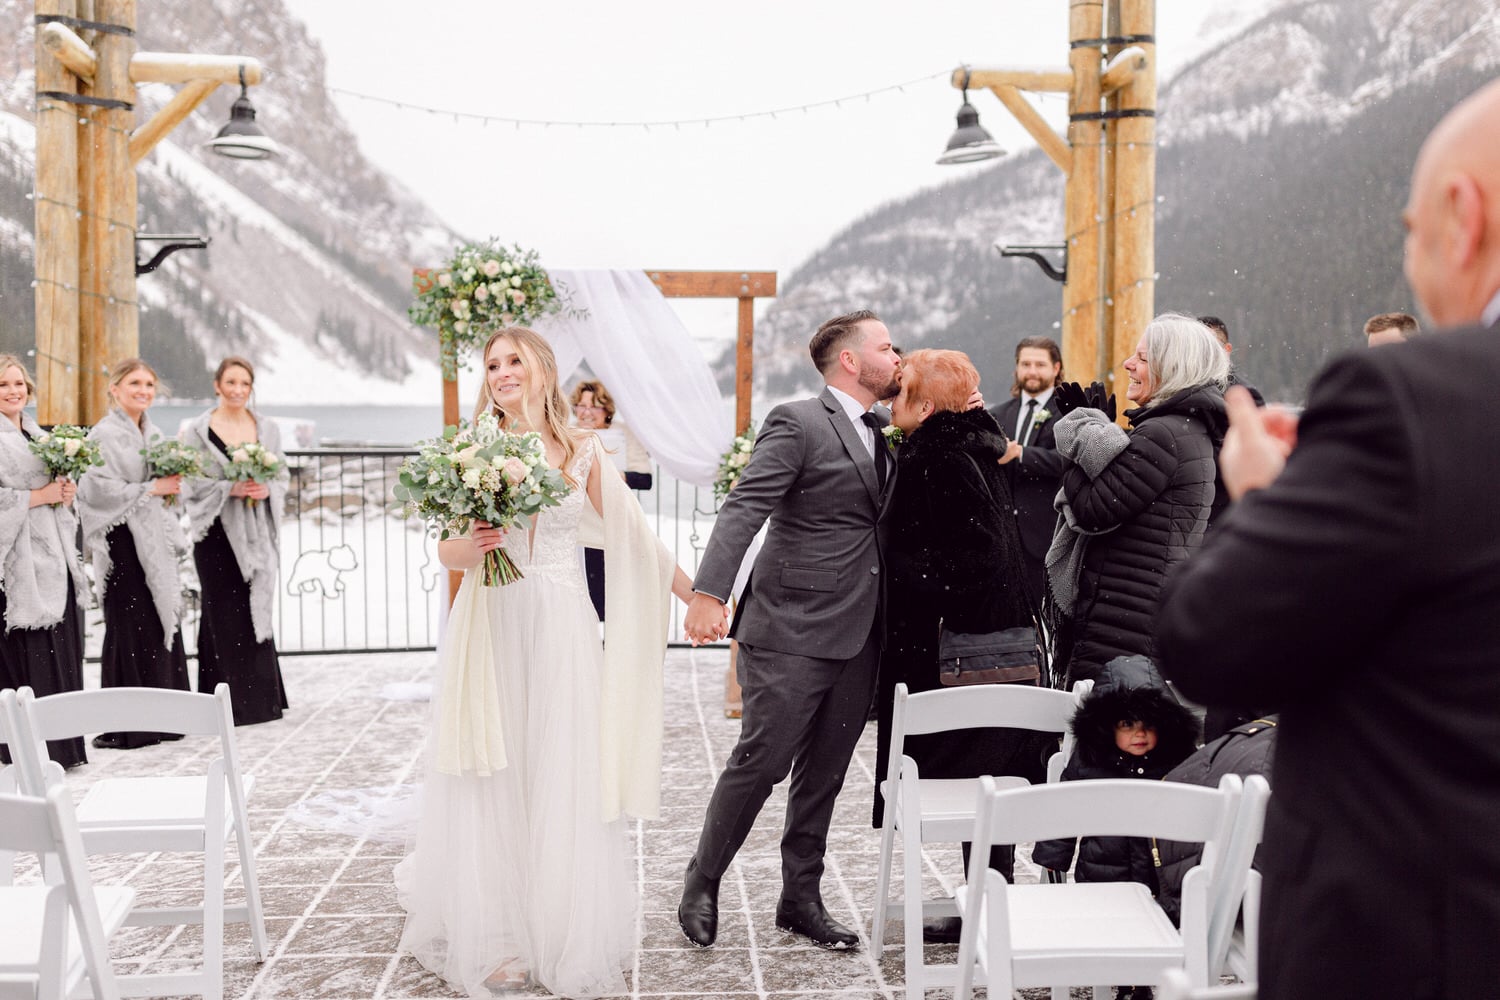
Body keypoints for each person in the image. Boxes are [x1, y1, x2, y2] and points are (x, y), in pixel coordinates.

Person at [1156, 79, 1500, 998]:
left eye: (1411, 228)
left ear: (1462, 217)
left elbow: (1212, 644)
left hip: (1426, 936)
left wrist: (1268, 499)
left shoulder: (1418, 398)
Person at [397, 327, 694, 998]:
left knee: (558, 770)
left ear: (542, 370)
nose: (502, 373)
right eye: (493, 364)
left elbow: (633, 535)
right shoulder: (473, 448)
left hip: (561, 624)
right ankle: (496, 934)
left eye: (513, 361)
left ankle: (560, 929)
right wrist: (475, 543)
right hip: (494, 622)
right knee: (494, 773)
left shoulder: (582, 450)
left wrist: (697, 594)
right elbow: (446, 553)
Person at [678, 308, 899, 951]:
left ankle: (800, 898)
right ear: (851, 361)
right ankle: (703, 877)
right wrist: (709, 592)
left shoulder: (886, 432)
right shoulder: (799, 421)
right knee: (764, 760)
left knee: (825, 773)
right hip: (789, 628)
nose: (898, 356)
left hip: (861, 634)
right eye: (887, 347)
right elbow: (746, 504)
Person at [875, 348, 1052, 943]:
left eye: (899, 394)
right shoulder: (968, 447)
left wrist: (905, 573)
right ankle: (986, 893)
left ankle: (985, 899)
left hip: (956, 644)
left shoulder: (939, 457)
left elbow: (976, 557)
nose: (889, 402)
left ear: (925, 407)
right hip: (980, 641)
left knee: (976, 773)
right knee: (988, 773)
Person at [1046, 314, 1228, 688]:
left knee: (1106, 738)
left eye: (1143, 358)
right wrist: (1102, 434)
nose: (1129, 364)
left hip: (1124, 618)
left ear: (1172, 367)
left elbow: (1092, 510)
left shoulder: (1165, 432)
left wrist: (1080, 438)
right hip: (1138, 611)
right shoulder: (1184, 428)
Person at [1031, 655, 1198, 1000]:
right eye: (1127, 724)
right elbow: (1065, 808)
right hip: (1106, 866)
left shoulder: (1174, 760)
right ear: (1107, 726)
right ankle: (1130, 983)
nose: (1139, 734)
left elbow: (1195, 804)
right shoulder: (1090, 761)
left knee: (1158, 921)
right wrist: (1054, 853)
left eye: (1148, 725)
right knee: (1115, 922)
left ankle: (1152, 975)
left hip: (1159, 869)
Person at [76, 359, 191, 749]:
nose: (143, 390)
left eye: (149, 384)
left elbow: (163, 489)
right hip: (121, 539)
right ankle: (127, 725)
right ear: (115, 389)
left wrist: (167, 489)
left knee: (160, 615)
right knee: (128, 624)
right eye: (134, 383)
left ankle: (165, 718)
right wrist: (149, 490)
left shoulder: (155, 433)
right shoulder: (102, 435)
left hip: (154, 541)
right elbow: (96, 490)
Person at [180, 356, 288, 726]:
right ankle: (224, 702)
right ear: (217, 385)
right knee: (220, 609)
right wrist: (231, 488)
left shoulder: (267, 428)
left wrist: (265, 489)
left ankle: (261, 700)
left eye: (244, 384)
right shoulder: (196, 430)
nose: (238, 390)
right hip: (215, 534)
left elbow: (283, 474)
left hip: (256, 534)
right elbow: (191, 484)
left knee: (255, 604)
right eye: (231, 383)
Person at [0, 356, 87, 769]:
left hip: (53, 557)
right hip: (17, 567)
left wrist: (65, 494)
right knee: (27, 651)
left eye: (19, 383)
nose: (14, 391)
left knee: (58, 645)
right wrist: (38, 497)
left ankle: (61, 746)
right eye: (3, 385)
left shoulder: (38, 433)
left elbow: (54, 492)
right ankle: (27, 750)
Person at [990, 336, 1065, 606]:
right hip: (1002, 536)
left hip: (1045, 531)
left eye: (1040, 364)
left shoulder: (1067, 413)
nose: (1032, 371)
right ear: (1017, 368)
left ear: (1056, 368)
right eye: (1026, 364)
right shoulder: (998, 413)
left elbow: (1068, 461)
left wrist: (1022, 454)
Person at [569, 378, 653, 620]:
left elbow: (645, 479)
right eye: (580, 406)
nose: (585, 413)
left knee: (615, 594)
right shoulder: (567, 433)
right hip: (578, 522)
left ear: (607, 411)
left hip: (614, 519)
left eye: (593, 407)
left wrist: (617, 476)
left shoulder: (624, 434)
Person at [1197, 315, 1265, 406]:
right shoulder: (1179, 388)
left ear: (1227, 349)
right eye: (1199, 345)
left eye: (1212, 347)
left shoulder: (1246, 396)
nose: (1205, 352)